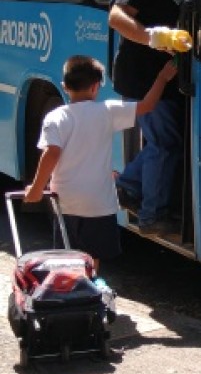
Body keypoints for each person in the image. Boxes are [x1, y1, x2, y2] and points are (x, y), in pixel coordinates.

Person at [25, 56, 179, 273]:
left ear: (64, 87)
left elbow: (52, 153)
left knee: (68, 256)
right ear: (96, 87)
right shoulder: (108, 110)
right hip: (99, 203)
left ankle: (71, 292)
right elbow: (148, 105)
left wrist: (36, 189)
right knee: (93, 256)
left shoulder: (55, 117)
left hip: (66, 202)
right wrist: (163, 78)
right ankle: (89, 289)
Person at [108, 0, 193, 235]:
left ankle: (129, 185)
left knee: (170, 141)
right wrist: (152, 37)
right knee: (164, 143)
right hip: (143, 75)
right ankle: (151, 216)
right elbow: (116, 18)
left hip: (168, 74)